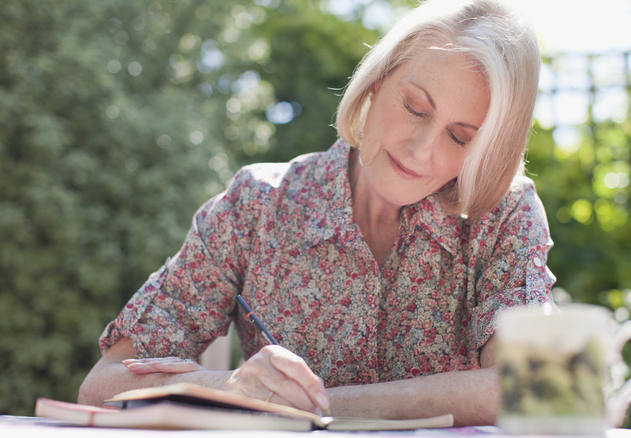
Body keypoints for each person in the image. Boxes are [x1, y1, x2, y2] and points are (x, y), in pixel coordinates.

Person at [78, 0, 555, 426]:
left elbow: (535, 386)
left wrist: (318, 404)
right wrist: (227, 389)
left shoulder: (504, 214)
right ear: (375, 83)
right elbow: (104, 383)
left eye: (459, 137)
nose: (421, 149)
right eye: (414, 108)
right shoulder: (257, 205)